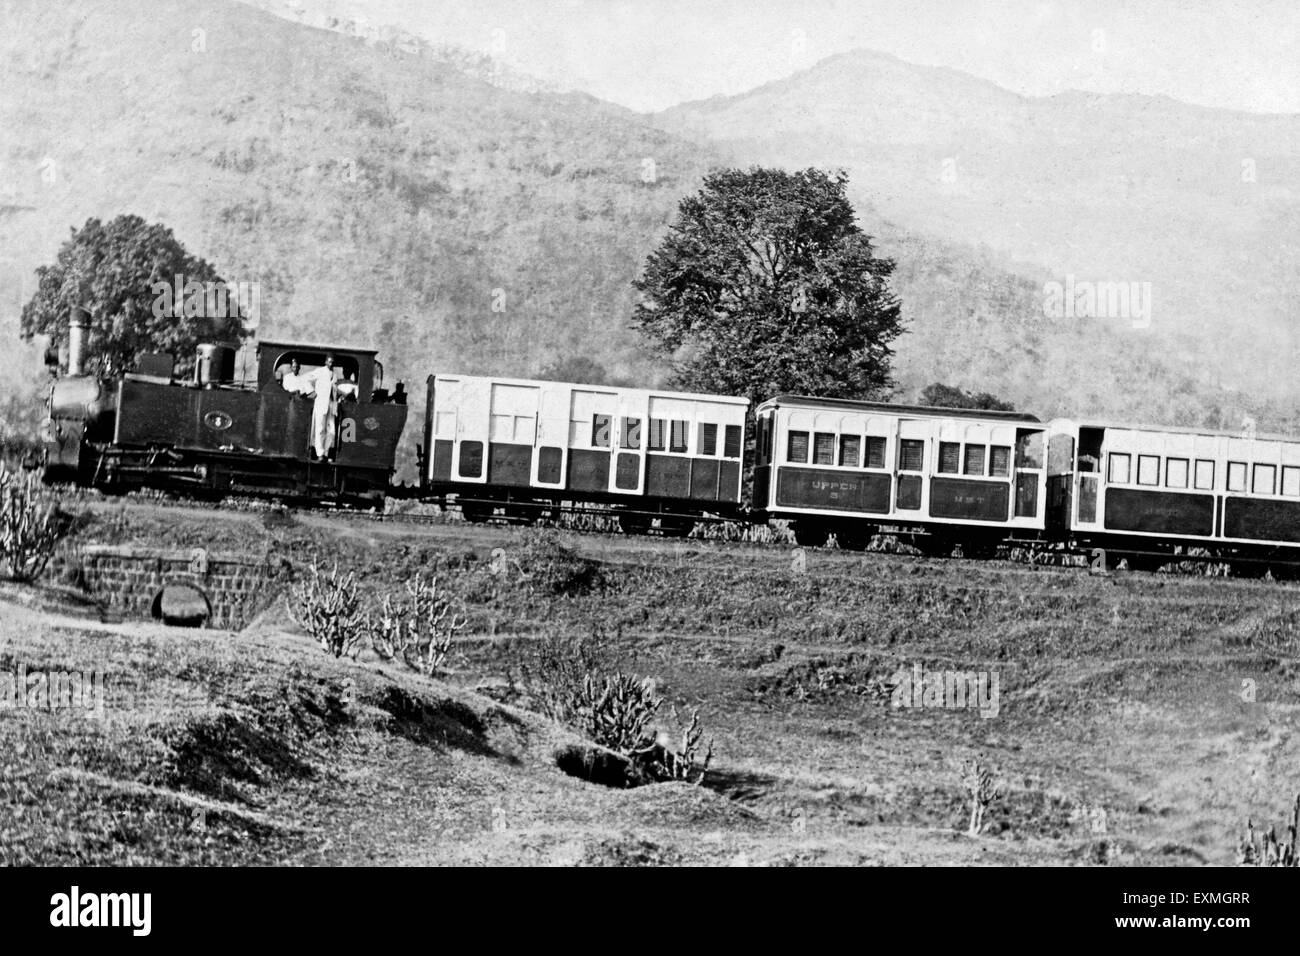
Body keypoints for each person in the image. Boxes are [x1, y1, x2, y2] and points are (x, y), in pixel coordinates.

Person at [304, 355, 339, 459]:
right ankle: (320, 453)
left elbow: (334, 391)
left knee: (331, 431)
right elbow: (307, 379)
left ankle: (326, 452)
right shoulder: (319, 371)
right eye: (329, 362)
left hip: (331, 405)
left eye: (332, 362)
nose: (331, 363)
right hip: (320, 403)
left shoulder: (335, 375)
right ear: (325, 362)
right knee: (320, 429)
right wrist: (312, 392)